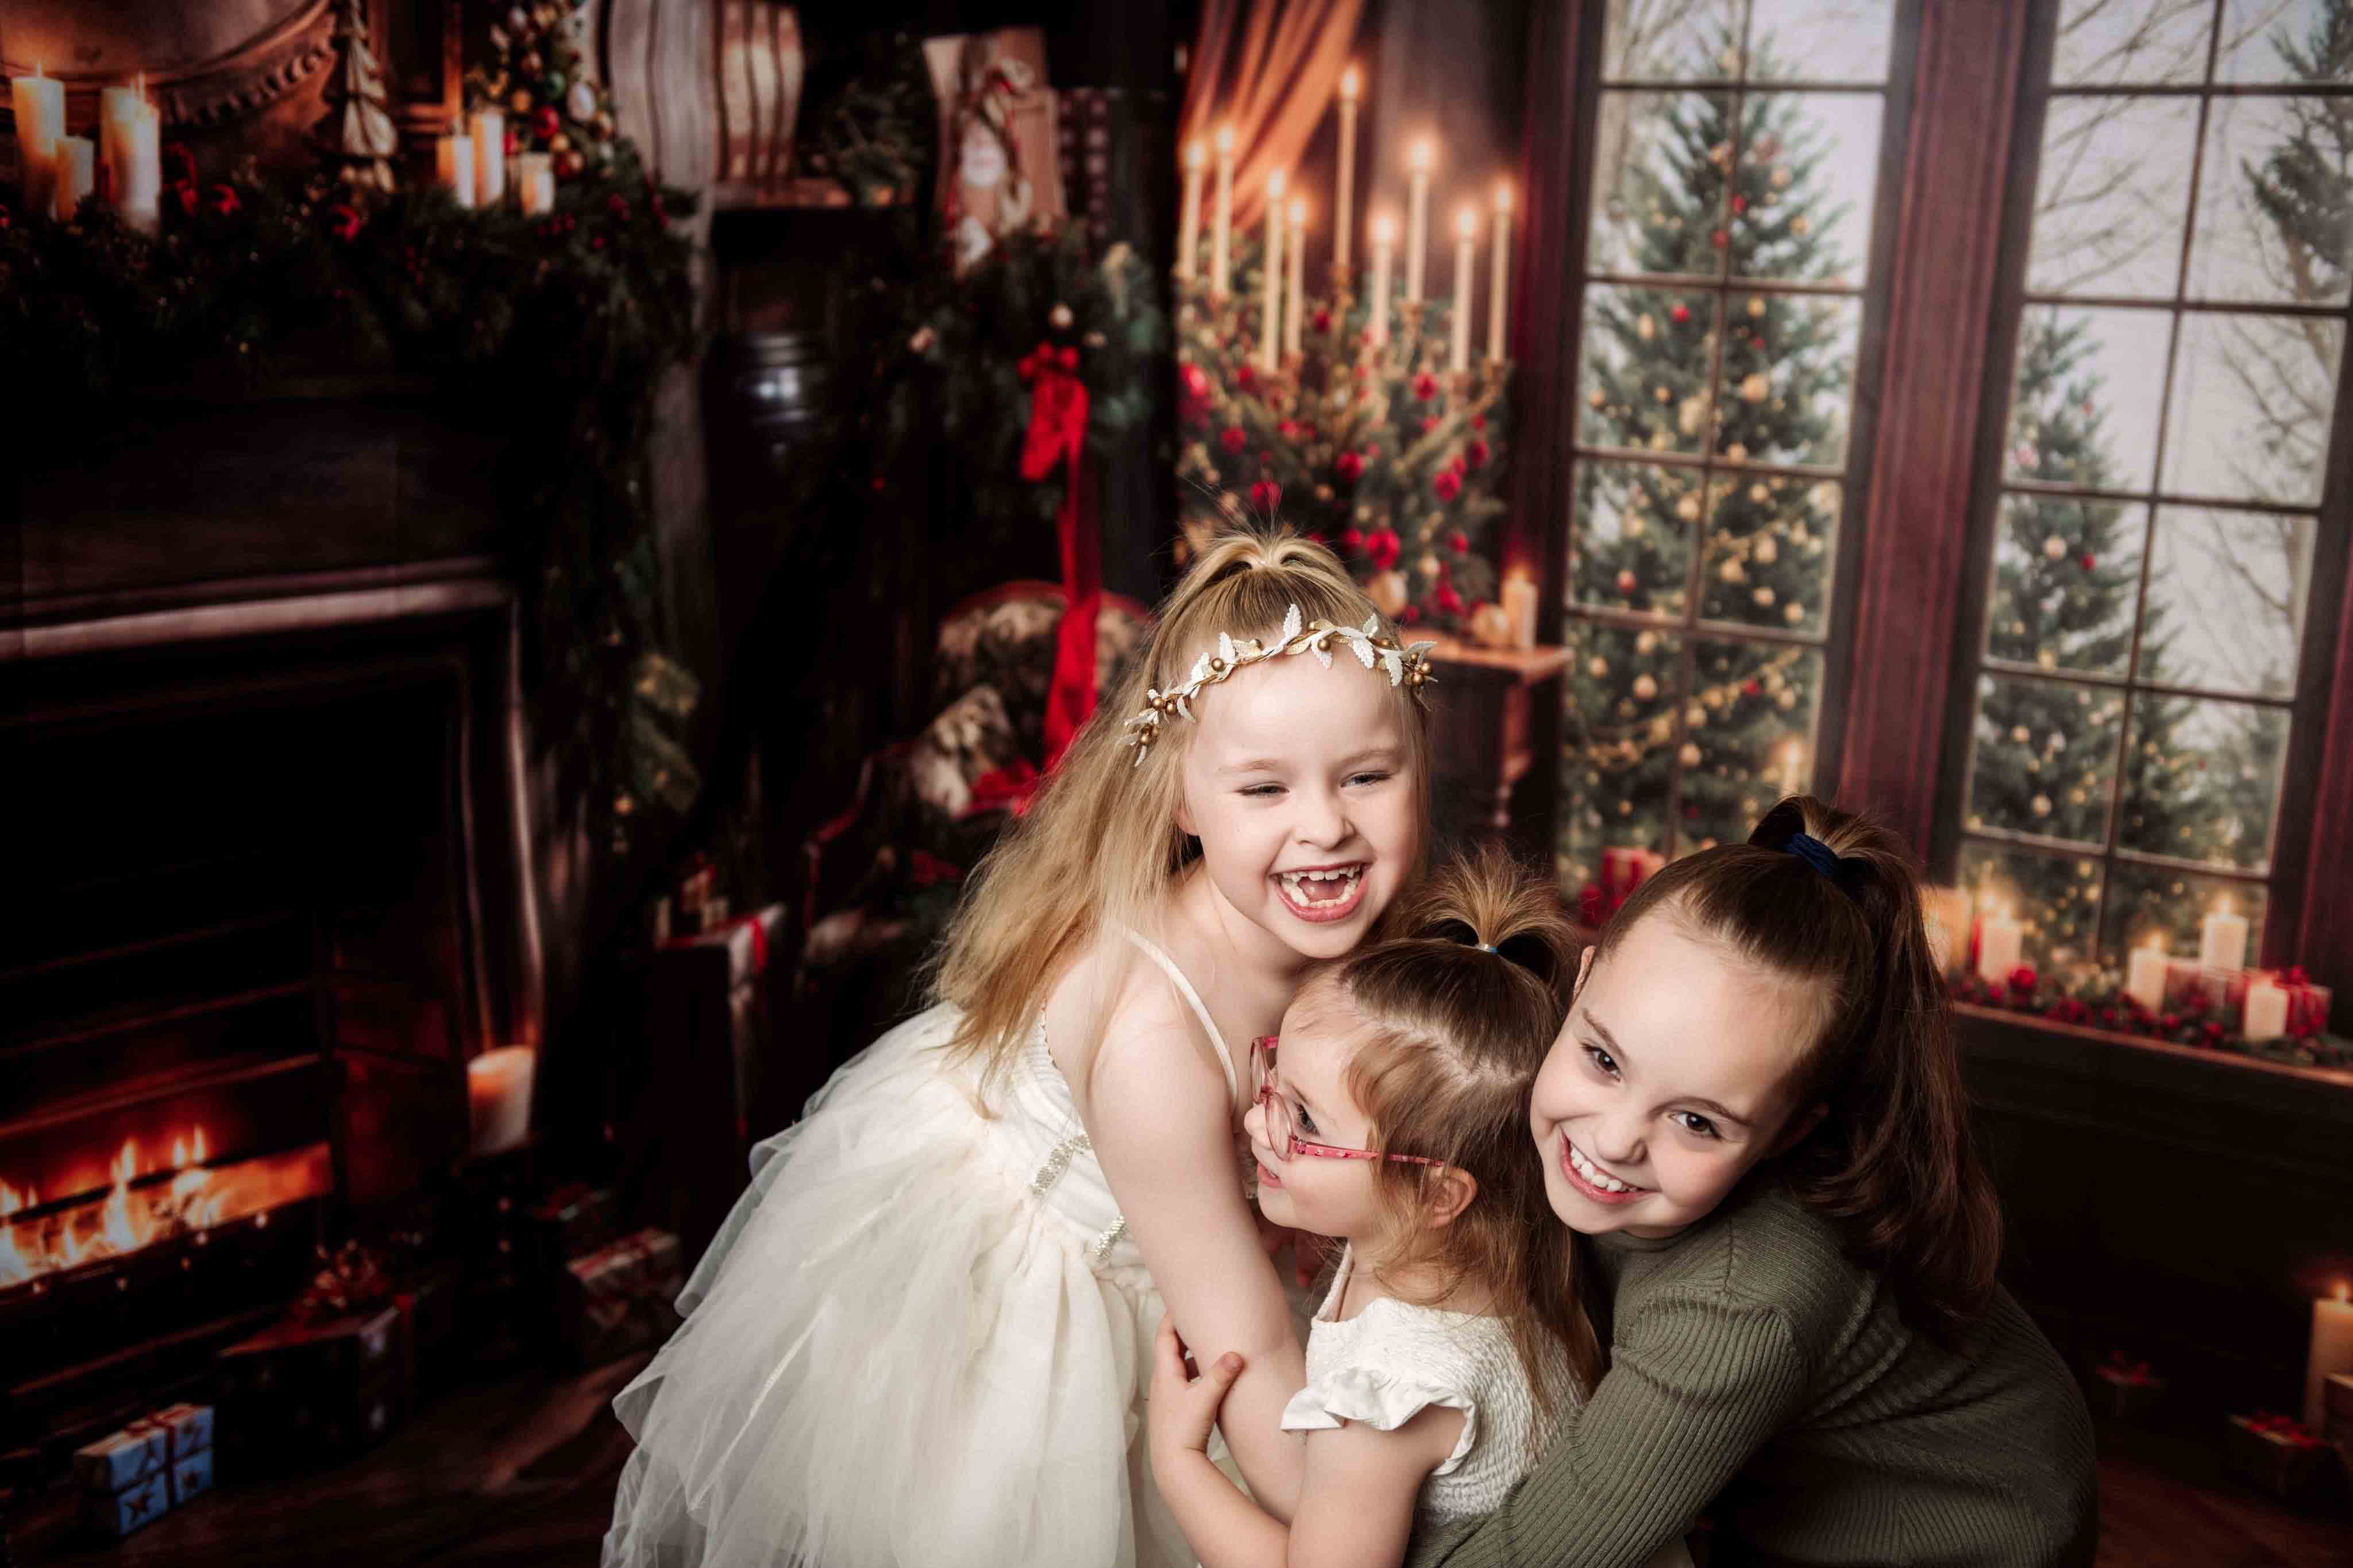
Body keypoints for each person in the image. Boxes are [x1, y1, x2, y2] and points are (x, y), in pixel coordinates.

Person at [603, 527, 1435, 1568]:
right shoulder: (1153, 1044)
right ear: (1181, 797)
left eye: (1366, 777)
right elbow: (1250, 1347)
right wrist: (1373, 1538)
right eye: (1264, 789)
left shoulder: (1347, 926)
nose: (1325, 828)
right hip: (1036, 1300)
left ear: (1417, 767)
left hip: (1210, 1252)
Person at [1403, 796, 2099, 1568]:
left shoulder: (1738, 1303)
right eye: (1604, 1060)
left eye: (1697, 1121)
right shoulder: (1539, 1075)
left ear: (1792, 1131)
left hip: (1965, 1534)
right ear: (1583, 981)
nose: (1613, 1138)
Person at [1148, 849, 1694, 1568]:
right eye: (1273, 1077)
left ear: (1437, 1193)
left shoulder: (1384, 1400)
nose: (1258, 1123)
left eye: (1306, 1122)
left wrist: (1180, 1463)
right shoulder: (1491, 1268)